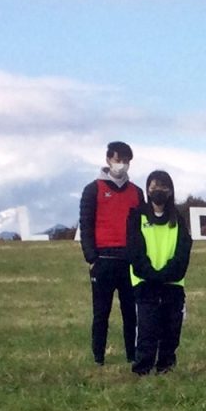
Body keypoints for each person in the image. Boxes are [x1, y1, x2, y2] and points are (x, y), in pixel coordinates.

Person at [79, 140, 145, 365]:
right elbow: (86, 225)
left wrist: (139, 257)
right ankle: (98, 357)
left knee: (131, 313)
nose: (122, 165)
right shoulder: (93, 189)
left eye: (126, 161)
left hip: (129, 262)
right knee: (101, 313)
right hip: (103, 260)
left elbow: (141, 228)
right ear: (108, 159)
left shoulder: (136, 192)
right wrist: (91, 257)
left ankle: (132, 355)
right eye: (119, 160)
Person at [126, 171, 192, 376]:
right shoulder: (137, 216)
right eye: (154, 187)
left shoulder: (179, 220)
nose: (158, 191)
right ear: (147, 190)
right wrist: (153, 275)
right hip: (145, 283)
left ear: (171, 191)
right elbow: (135, 252)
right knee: (147, 329)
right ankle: (142, 369)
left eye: (163, 187)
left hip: (172, 284)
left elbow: (183, 252)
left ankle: (166, 367)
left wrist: (166, 275)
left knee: (171, 330)